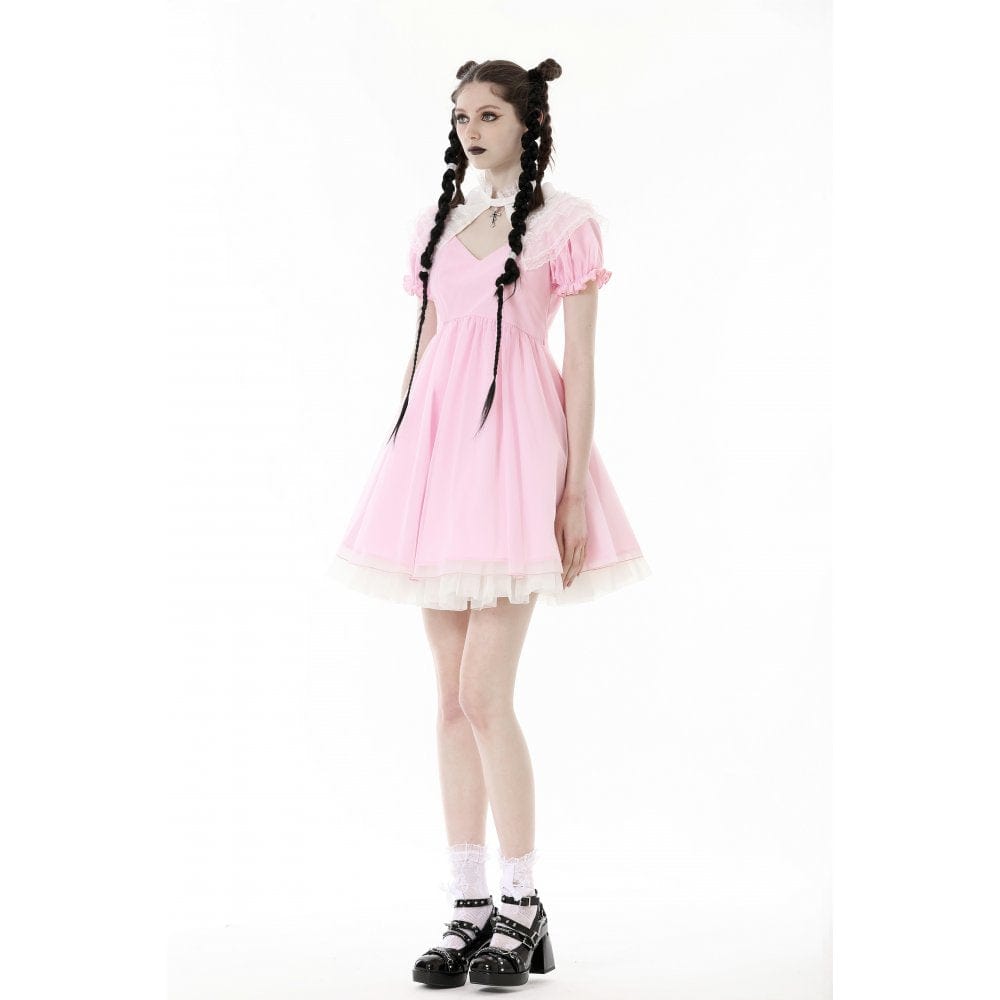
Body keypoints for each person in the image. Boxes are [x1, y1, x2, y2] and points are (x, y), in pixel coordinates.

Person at [328, 57, 651, 988]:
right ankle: (469, 906)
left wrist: (573, 491)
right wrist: (400, 464)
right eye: (462, 116)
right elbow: (426, 352)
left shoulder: (565, 226)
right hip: (437, 466)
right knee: (447, 699)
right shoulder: (437, 225)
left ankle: (522, 903)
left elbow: (580, 367)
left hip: (515, 462)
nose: (472, 130)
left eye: (490, 115)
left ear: (527, 123)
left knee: (484, 695)